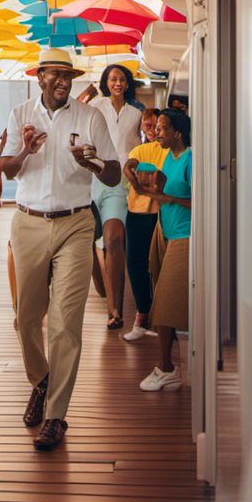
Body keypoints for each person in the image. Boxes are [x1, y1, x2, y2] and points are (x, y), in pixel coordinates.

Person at [0, 48, 120, 451]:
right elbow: (7, 168)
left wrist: (93, 165)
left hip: (76, 222)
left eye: (68, 74)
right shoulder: (20, 115)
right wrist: (25, 152)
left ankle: (56, 415)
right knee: (26, 317)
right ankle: (41, 380)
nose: (63, 80)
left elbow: (115, 172)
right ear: (40, 78)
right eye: (55, 74)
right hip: (29, 221)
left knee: (65, 322)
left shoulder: (91, 117)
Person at [131, 110, 193, 392]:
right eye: (155, 127)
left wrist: (165, 197)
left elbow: (199, 201)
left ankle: (166, 367)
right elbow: (157, 186)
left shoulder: (191, 158)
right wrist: (136, 178)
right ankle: (175, 363)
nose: (156, 132)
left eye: (162, 128)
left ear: (177, 133)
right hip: (165, 231)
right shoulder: (169, 156)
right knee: (162, 298)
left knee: (166, 304)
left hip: (185, 236)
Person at [85, 64, 145, 329]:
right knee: (96, 240)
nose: (118, 83)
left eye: (122, 79)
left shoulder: (138, 112)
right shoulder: (95, 105)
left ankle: (116, 311)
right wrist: (86, 95)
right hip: (91, 179)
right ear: (105, 82)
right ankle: (102, 279)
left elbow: (146, 140)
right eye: (112, 79)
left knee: (114, 237)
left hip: (119, 184)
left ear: (127, 83)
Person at [121, 108, 166, 341]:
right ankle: (142, 317)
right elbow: (131, 163)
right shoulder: (139, 149)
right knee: (136, 264)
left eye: (156, 126)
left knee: (161, 267)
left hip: (163, 213)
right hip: (137, 212)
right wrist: (130, 172)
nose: (151, 130)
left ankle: (163, 321)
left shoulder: (172, 151)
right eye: (147, 125)